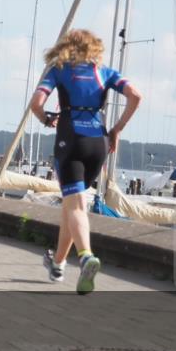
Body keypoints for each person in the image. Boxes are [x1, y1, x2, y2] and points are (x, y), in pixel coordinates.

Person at [29, 28, 141, 295]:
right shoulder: (106, 72)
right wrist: (117, 129)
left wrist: (46, 119)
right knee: (72, 206)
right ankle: (57, 264)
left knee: (76, 206)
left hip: (71, 141)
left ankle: (86, 257)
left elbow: (36, 103)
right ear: (94, 48)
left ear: (66, 46)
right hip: (98, 143)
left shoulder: (58, 70)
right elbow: (136, 96)